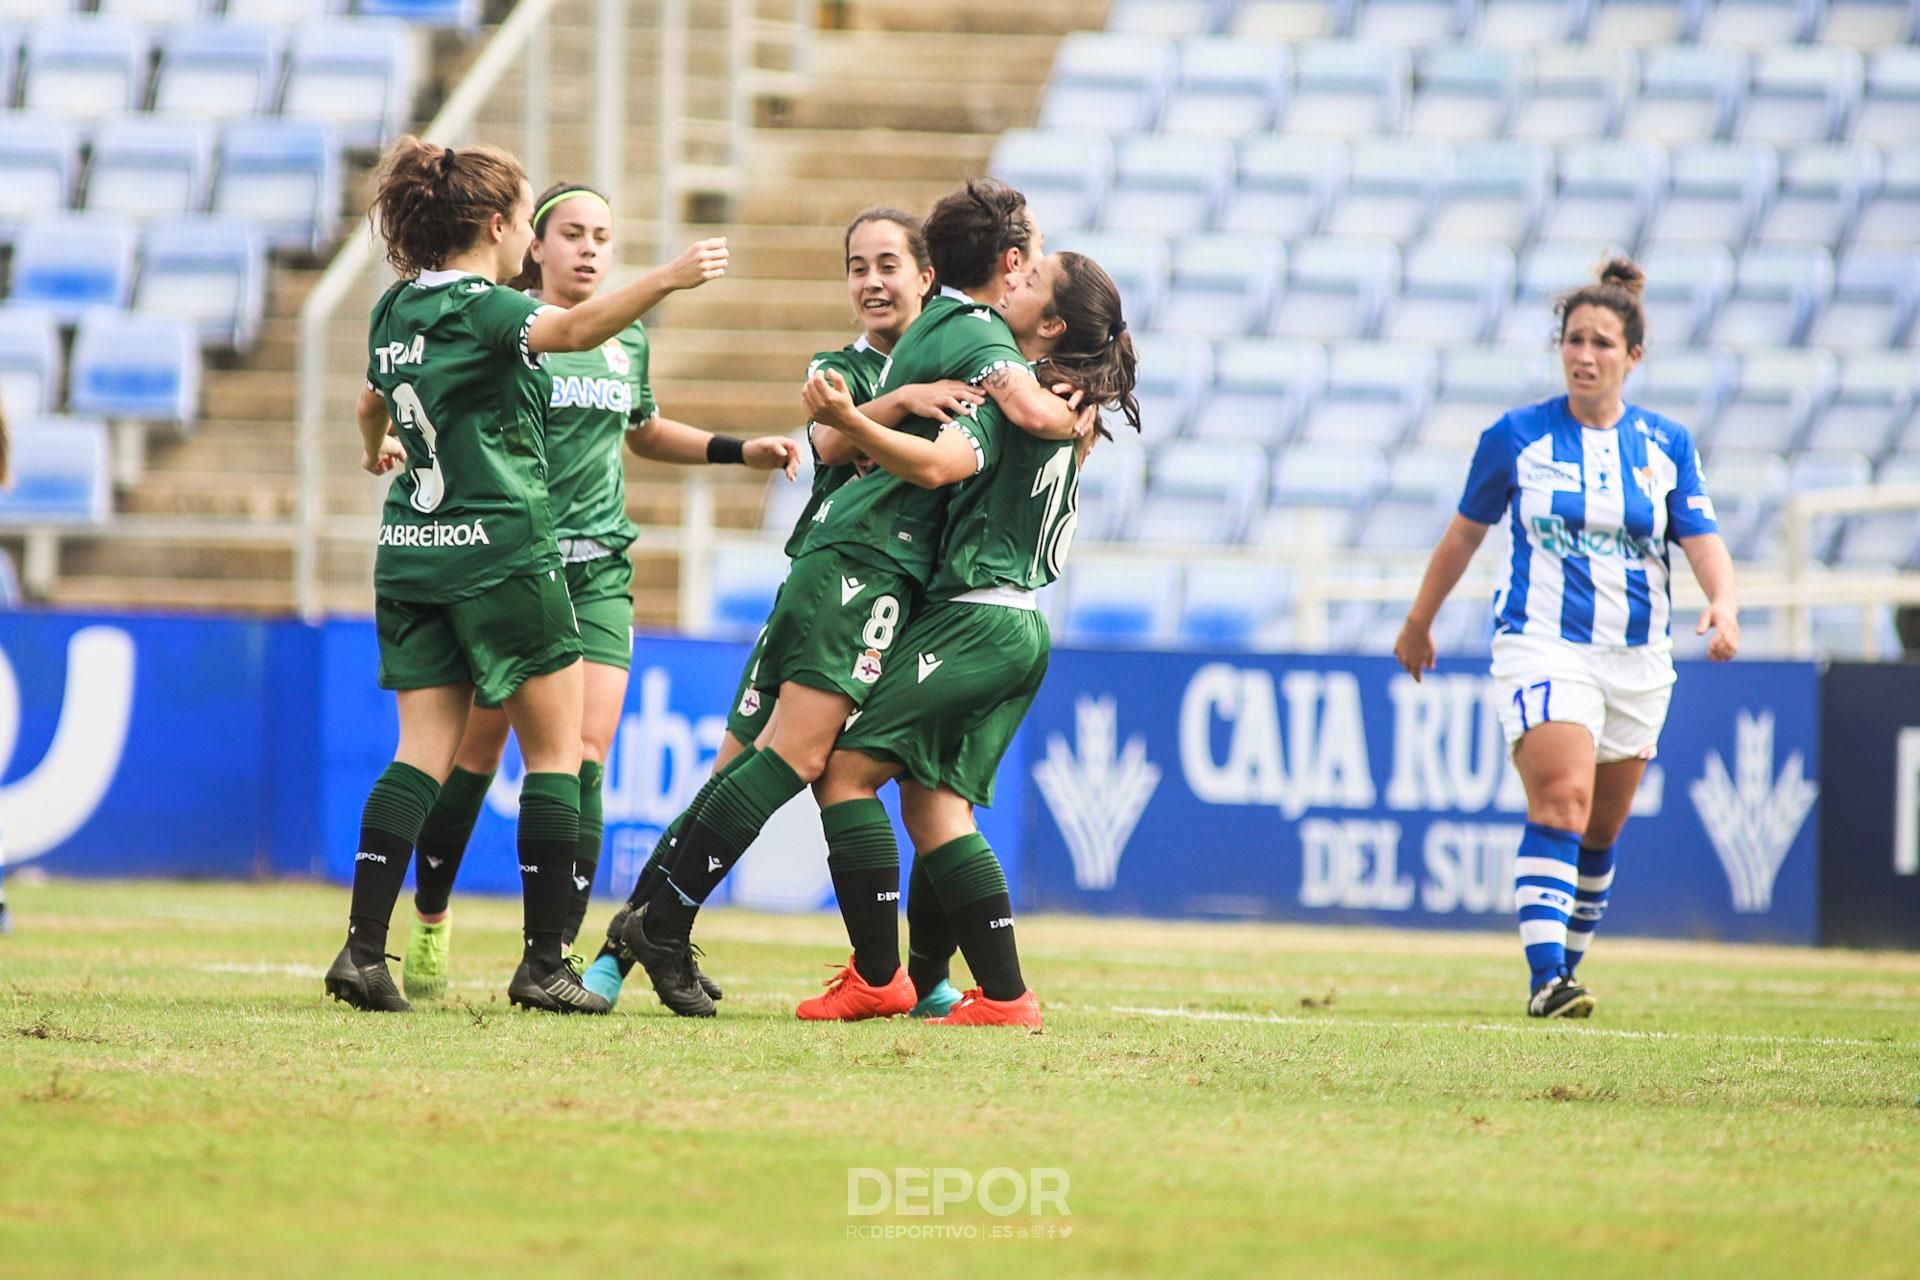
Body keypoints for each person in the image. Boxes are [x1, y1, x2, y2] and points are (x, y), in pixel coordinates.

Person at [599, 178, 1086, 1017]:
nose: (872, 281)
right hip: (855, 567)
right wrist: (1074, 402)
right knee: (793, 761)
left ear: (927, 274)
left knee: (841, 774)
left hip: (881, 575)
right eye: (857, 266)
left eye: (887, 263)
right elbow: (861, 437)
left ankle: (902, 975)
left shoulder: (943, 339)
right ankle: (647, 933)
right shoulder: (956, 344)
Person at [322, 136, 726, 1014]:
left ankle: (362, 951)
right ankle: (545, 963)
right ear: (503, 227)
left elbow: (368, 402)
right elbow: (574, 329)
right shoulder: (489, 309)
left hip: (412, 551)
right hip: (503, 553)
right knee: (557, 754)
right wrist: (664, 278)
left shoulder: (394, 308)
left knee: (418, 754)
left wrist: (376, 450)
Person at [390, 181, 801, 1003]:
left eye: (603, 236)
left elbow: (643, 429)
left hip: (600, 569)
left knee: (584, 754)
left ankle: (553, 955)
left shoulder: (626, 342)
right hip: (508, 565)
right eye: (571, 233)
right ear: (532, 247)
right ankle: (430, 916)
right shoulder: (509, 331)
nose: (588, 249)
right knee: (473, 753)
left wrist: (735, 451)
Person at [796, 249, 1138, 1027]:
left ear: (1051, 323)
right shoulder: (1066, 402)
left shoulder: (1020, 396)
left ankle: (878, 978)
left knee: (845, 774)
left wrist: (851, 421)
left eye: (1031, 279)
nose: (1011, 280)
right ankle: (1004, 997)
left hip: (976, 617)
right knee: (936, 804)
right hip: (1018, 622)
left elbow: (939, 466)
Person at [1392, 257, 1740, 1019]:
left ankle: (1565, 970)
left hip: (1640, 659)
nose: (1585, 355)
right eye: (1575, 340)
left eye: (1603, 343)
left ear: (1634, 356)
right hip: (1541, 643)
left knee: (1600, 830)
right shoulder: (1515, 437)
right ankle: (1547, 977)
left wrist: (1723, 602)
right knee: (1562, 799)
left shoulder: (1667, 445)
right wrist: (1419, 623)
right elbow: (1460, 539)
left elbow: (1702, 535)